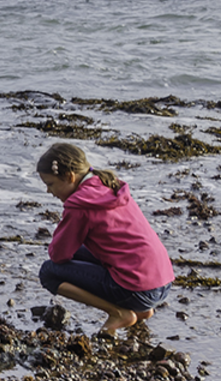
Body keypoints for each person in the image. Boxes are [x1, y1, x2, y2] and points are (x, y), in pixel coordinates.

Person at [36, 142, 174, 332]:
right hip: (163, 282)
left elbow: (58, 255)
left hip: (138, 291)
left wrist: (63, 229)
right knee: (81, 252)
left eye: (50, 184)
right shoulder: (108, 185)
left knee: (49, 272)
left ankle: (118, 312)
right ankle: (142, 311)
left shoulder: (79, 204)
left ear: (69, 176)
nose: (49, 192)